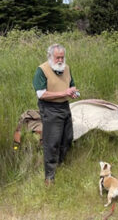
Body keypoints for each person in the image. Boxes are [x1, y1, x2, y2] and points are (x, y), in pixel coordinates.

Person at [33, 44, 79, 186]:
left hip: (65, 106)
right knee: (51, 143)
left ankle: (60, 164)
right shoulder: (42, 70)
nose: (60, 60)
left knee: (67, 138)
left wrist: (74, 93)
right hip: (50, 108)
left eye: (62, 57)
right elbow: (41, 94)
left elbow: (71, 86)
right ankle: (49, 177)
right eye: (57, 57)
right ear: (50, 56)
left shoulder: (67, 68)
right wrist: (63, 93)